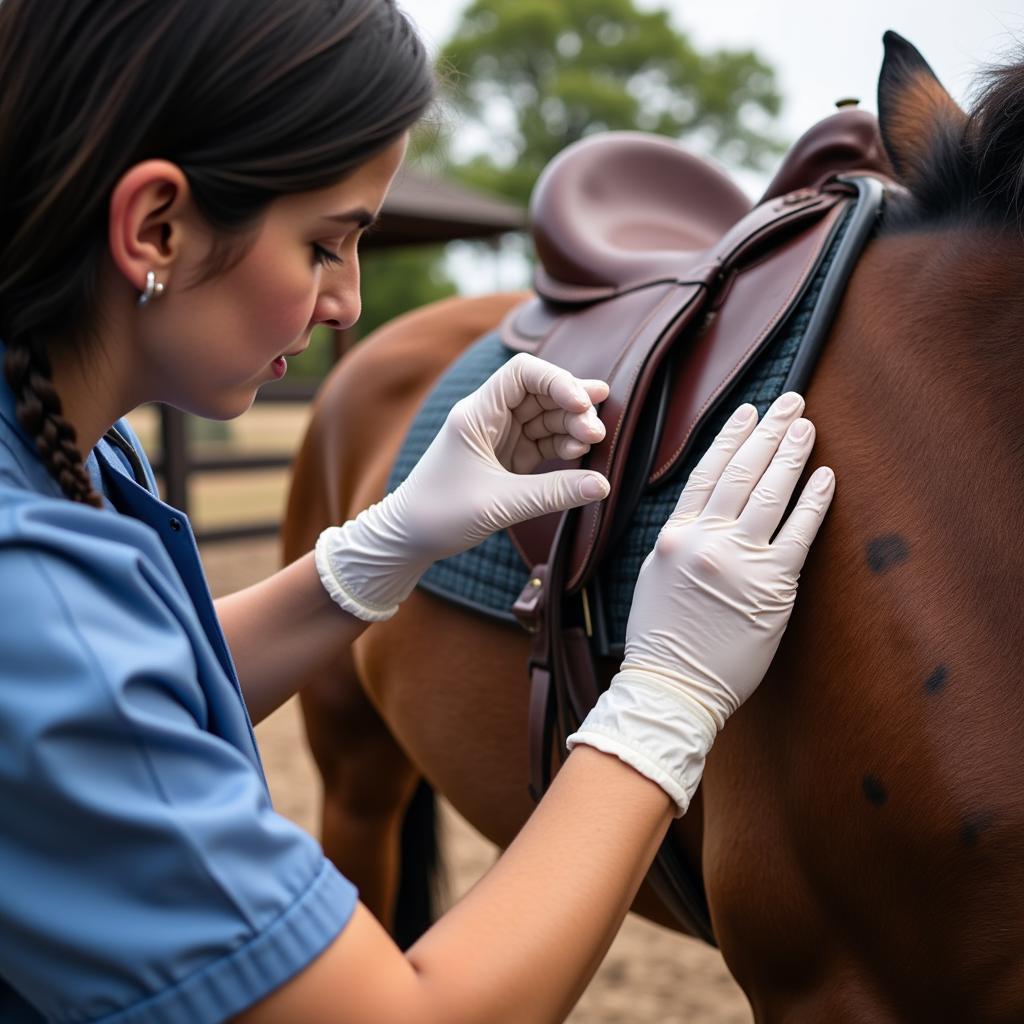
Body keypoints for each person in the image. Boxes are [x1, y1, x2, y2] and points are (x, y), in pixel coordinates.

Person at [0, 1, 836, 1021]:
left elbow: (132, 690)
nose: (348, 301)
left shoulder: (65, 438)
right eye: (325, 244)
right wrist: (667, 695)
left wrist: (379, 550)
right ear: (156, 226)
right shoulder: (23, 579)